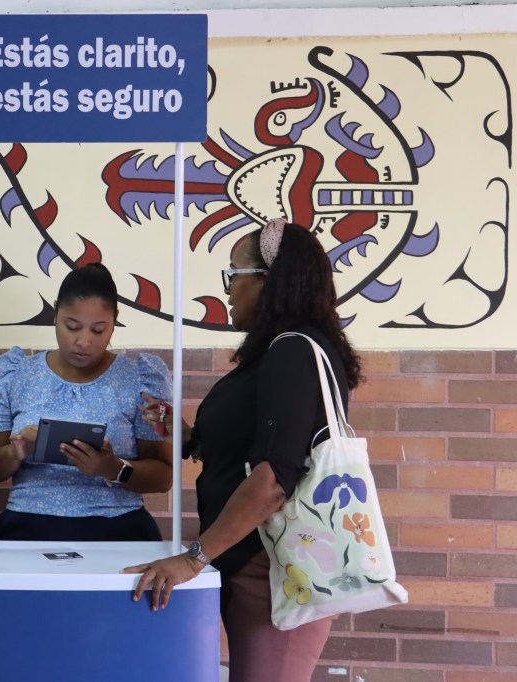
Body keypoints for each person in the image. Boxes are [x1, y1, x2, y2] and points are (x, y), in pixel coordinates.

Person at [123, 219, 363, 682]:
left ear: (269, 281)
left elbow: (274, 480)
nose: (228, 290)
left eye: (234, 274)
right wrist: (182, 430)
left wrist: (194, 557)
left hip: (275, 569)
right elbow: (245, 452)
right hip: (254, 564)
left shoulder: (294, 352)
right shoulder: (277, 353)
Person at [0, 262, 172, 541]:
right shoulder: (15, 373)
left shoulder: (142, 379)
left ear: (115, 321)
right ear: (56, 313)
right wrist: (15, 451)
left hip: (118, 527)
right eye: (72, 326)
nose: (83, 341)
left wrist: (112, 468)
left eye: (98, 330)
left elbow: (163, 477)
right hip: (28, 526)